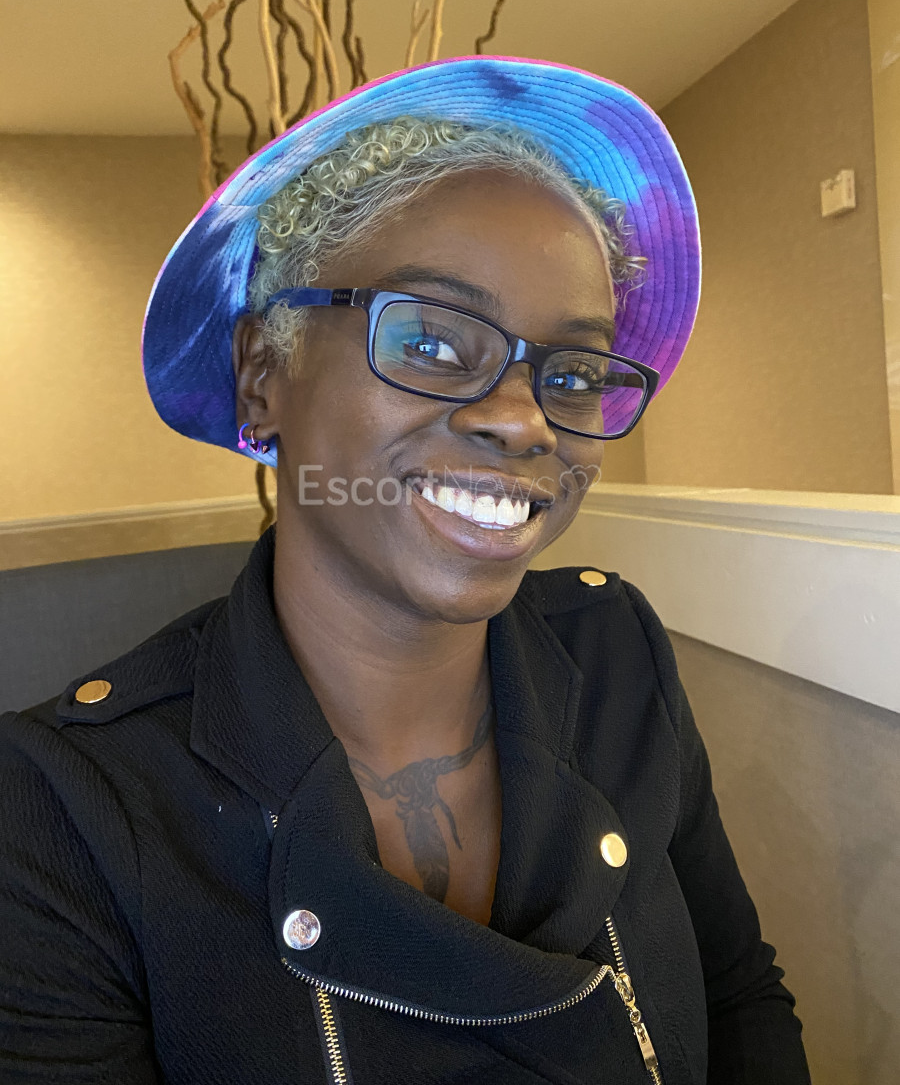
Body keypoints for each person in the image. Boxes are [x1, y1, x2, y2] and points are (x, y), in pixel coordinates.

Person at [0, 57, 811, 1084]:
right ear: (262, 375)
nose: (524, 421)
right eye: (431, 341)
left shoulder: (615, 655)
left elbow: (737, 997)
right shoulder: (68, 810)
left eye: (570, 372)